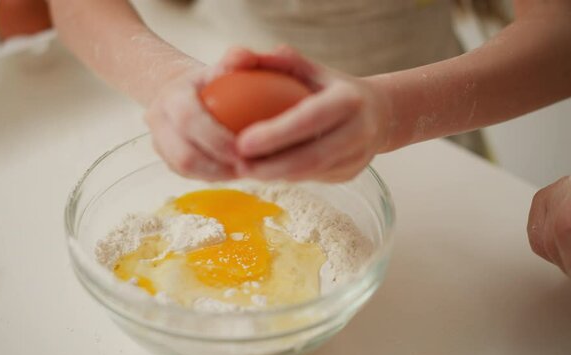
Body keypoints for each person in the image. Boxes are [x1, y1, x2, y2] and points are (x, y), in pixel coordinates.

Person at [47, 0, 571, 275]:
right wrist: (169, 83)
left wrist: (390, 112)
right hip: (207, 106)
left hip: (435, 129)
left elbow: (558, 29)